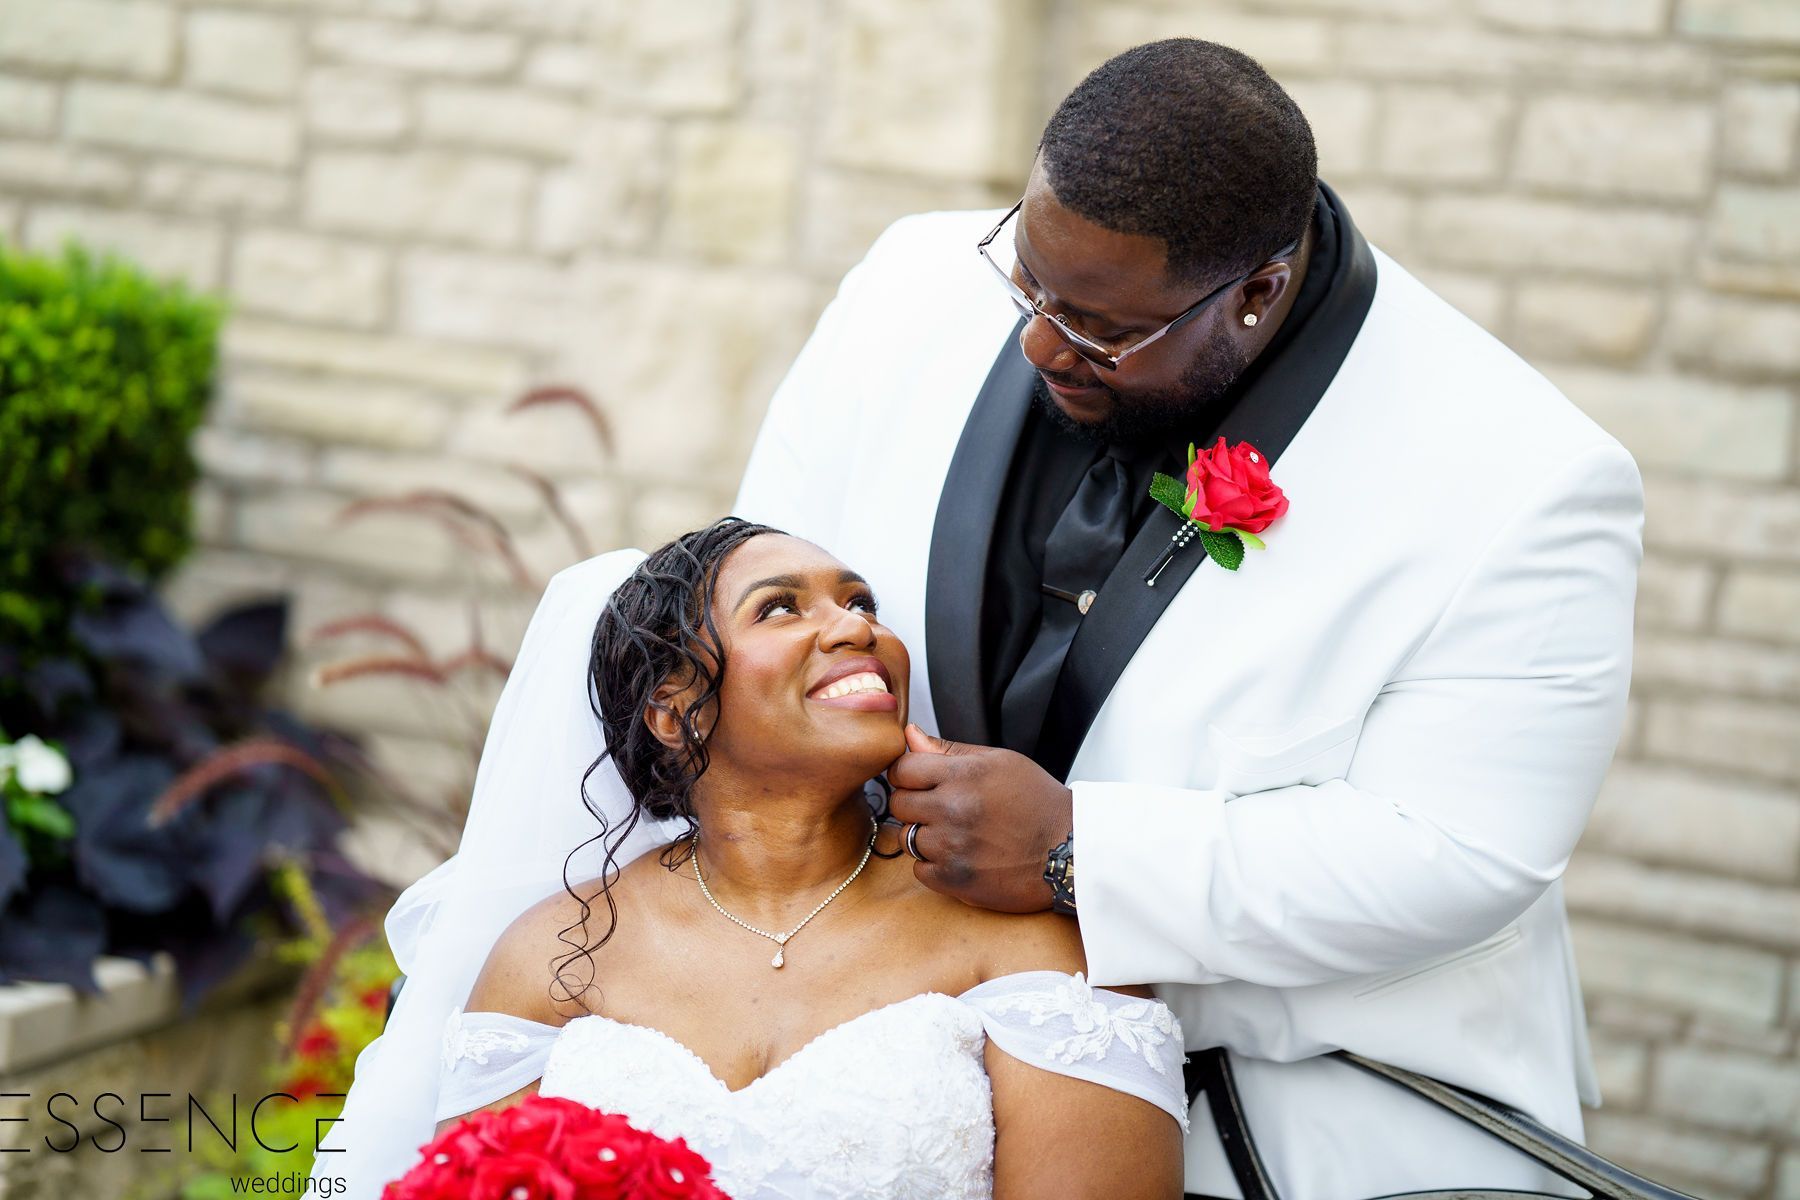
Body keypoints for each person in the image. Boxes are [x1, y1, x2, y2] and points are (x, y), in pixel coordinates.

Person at [729, 37, 1643, 1199]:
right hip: (887, 1071)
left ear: (1256, 293)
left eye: (1103, 329)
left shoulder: (1531, 477)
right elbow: (757, 588)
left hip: (1294, 1116)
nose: (1038, 343)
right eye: (1027, 280)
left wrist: (1078, 855)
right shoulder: (904, 283)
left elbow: (1460, 849)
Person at [403, 520, 1189, 1199]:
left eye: (860, 603)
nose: (855, 629)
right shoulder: (552, 955)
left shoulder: (1024, 939)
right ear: (676, 711)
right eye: (780, 607)